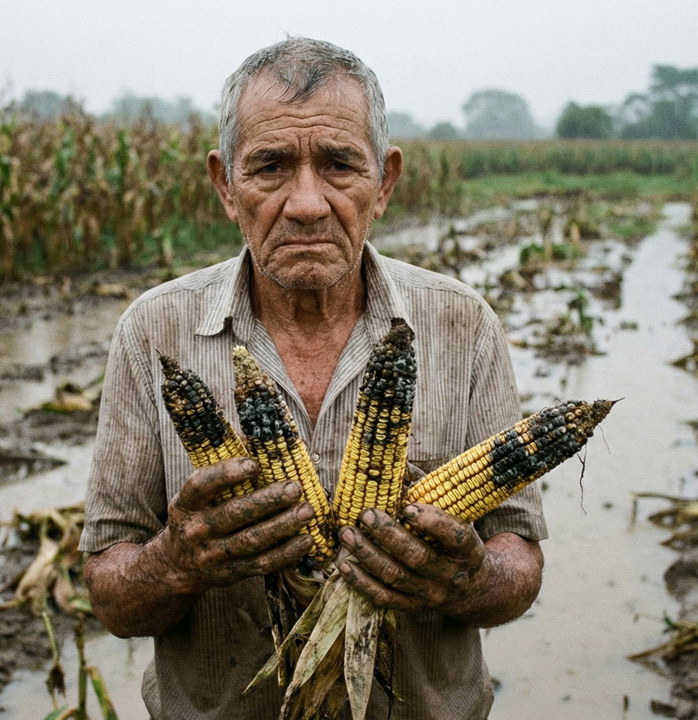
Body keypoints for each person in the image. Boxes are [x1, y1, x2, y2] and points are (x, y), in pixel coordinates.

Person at [80, 37, 546, 719]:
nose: (306, 203)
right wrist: (175, 564)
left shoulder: (462, 325)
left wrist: (469, 579)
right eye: (270, 167)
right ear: (224, 186)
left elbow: (520, 559)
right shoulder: (152, 333)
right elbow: (108, 587)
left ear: (383, 182)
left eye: (338, 165)